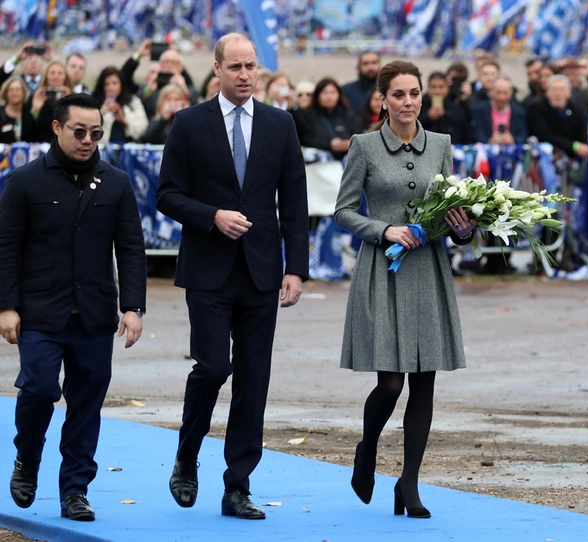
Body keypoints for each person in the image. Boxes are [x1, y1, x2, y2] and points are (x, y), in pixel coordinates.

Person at [156, 32, 309, 520]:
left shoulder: (280, 124)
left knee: (253, 378)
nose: (245, 75)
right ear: (217, 70)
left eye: (252, 67)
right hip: (208, 269)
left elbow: (295, 202)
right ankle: (186, 454)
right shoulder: (188, 123)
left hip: (262, 272)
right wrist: (211, 215)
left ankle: (237, 485)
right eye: (236, 67)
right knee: (213, 368)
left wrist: (297, 268)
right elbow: (167, 195)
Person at [0, 93, 146, 521]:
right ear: (57, 128)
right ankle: (27, 458)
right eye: (79, 132)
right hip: (40, 311)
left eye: (96, 133)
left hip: (96, 314)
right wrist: (6, 306)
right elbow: (6, 247)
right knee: (40, 387)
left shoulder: (116, 182)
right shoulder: (25, 181)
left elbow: (131, 249)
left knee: (86, 405)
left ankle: (75, 491)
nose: (88, 140)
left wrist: (133, 307)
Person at [334, 59, 470, 518]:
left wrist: (465, 229)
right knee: (390, 384)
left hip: (429, 270)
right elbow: (343, 211)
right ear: (383, 100)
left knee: (424, 383)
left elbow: (454, 215)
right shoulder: (365, 146)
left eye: (414, 94)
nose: (409, 102)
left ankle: (409, 484)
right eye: (399, 94)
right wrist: (385, 230)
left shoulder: (443, 146)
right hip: (383, 272)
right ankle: (367, 448)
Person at [294, 77, 362, 160]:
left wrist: (349, 144)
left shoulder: (348, 115)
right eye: (325, 93)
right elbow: (304, 139)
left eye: (333, 93)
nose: (329, 97)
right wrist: (329, 144)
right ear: (318, 95)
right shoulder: (308, 116)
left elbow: (359, 136)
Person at [527, 74, 588, 159]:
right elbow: (544, 135)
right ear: (547, 93)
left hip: (571, 157)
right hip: (545, 155)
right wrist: (573, 145)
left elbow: (582, 136)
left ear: (569, 93)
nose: (557, 94)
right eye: (554, 89)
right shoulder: (537, 108)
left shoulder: (577, 108)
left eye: (562, 89)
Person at [92, 67, 149, 144]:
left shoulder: (133, 101)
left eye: (114, 83)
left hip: (128, 148)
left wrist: (123, 120)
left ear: (121, 84)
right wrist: (102, 112)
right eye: (107, 84)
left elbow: (143, 127)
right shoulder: (94, 103)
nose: (110, 87)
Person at [418, 72, 472, 145]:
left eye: (441, 87)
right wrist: (428, 117)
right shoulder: (419, 106)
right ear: (428, 88)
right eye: (433, 87)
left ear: (447, 88)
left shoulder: (455, 108)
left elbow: (466, 134)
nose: (437, 91)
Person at [472, 77, 528, 145]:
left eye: (505, 93)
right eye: (498, 92)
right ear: (492, 91)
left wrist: (512, 140)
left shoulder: (518, 112)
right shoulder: (481, 110)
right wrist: (490, 141)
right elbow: (476, 134)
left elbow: (523, 135)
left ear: (511, 93)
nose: (501, 97)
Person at [29, 61, 74, 143]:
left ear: (65, 77)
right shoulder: (36, 97)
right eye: (52, 73)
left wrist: (69, 101)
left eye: (60, 73)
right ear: (46, 76)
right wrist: (36, 111)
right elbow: (28, 134)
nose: (56, 76)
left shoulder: (74, 97)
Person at [341, 51, 381, 116]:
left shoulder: (388, 90)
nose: (370, 67)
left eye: (374, 63)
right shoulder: (346, 91)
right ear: (359, 67)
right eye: (365, 63)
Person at [0, 76, 36, 143]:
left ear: (23, 92)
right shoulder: (1, 113)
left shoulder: (29, 113)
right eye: (11, 90)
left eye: (17, 89)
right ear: (5, 93)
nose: (14, 93)